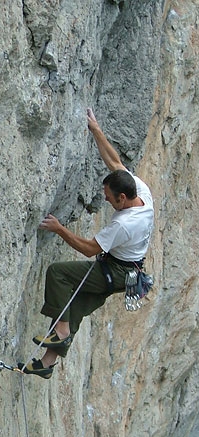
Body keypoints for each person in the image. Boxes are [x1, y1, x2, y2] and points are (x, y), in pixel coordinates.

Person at [18, 108, 154, 379]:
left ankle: (61, 332)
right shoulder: (142, 192)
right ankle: (46, 364)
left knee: (58, 273)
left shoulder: (125, 224)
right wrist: (96, 130)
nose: (106, 200)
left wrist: (59, 229)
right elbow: (115, 164)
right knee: (75, 308)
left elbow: (89, 248)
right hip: (128, 271)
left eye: (110, 197)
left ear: (123, 198)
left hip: (115, 272)